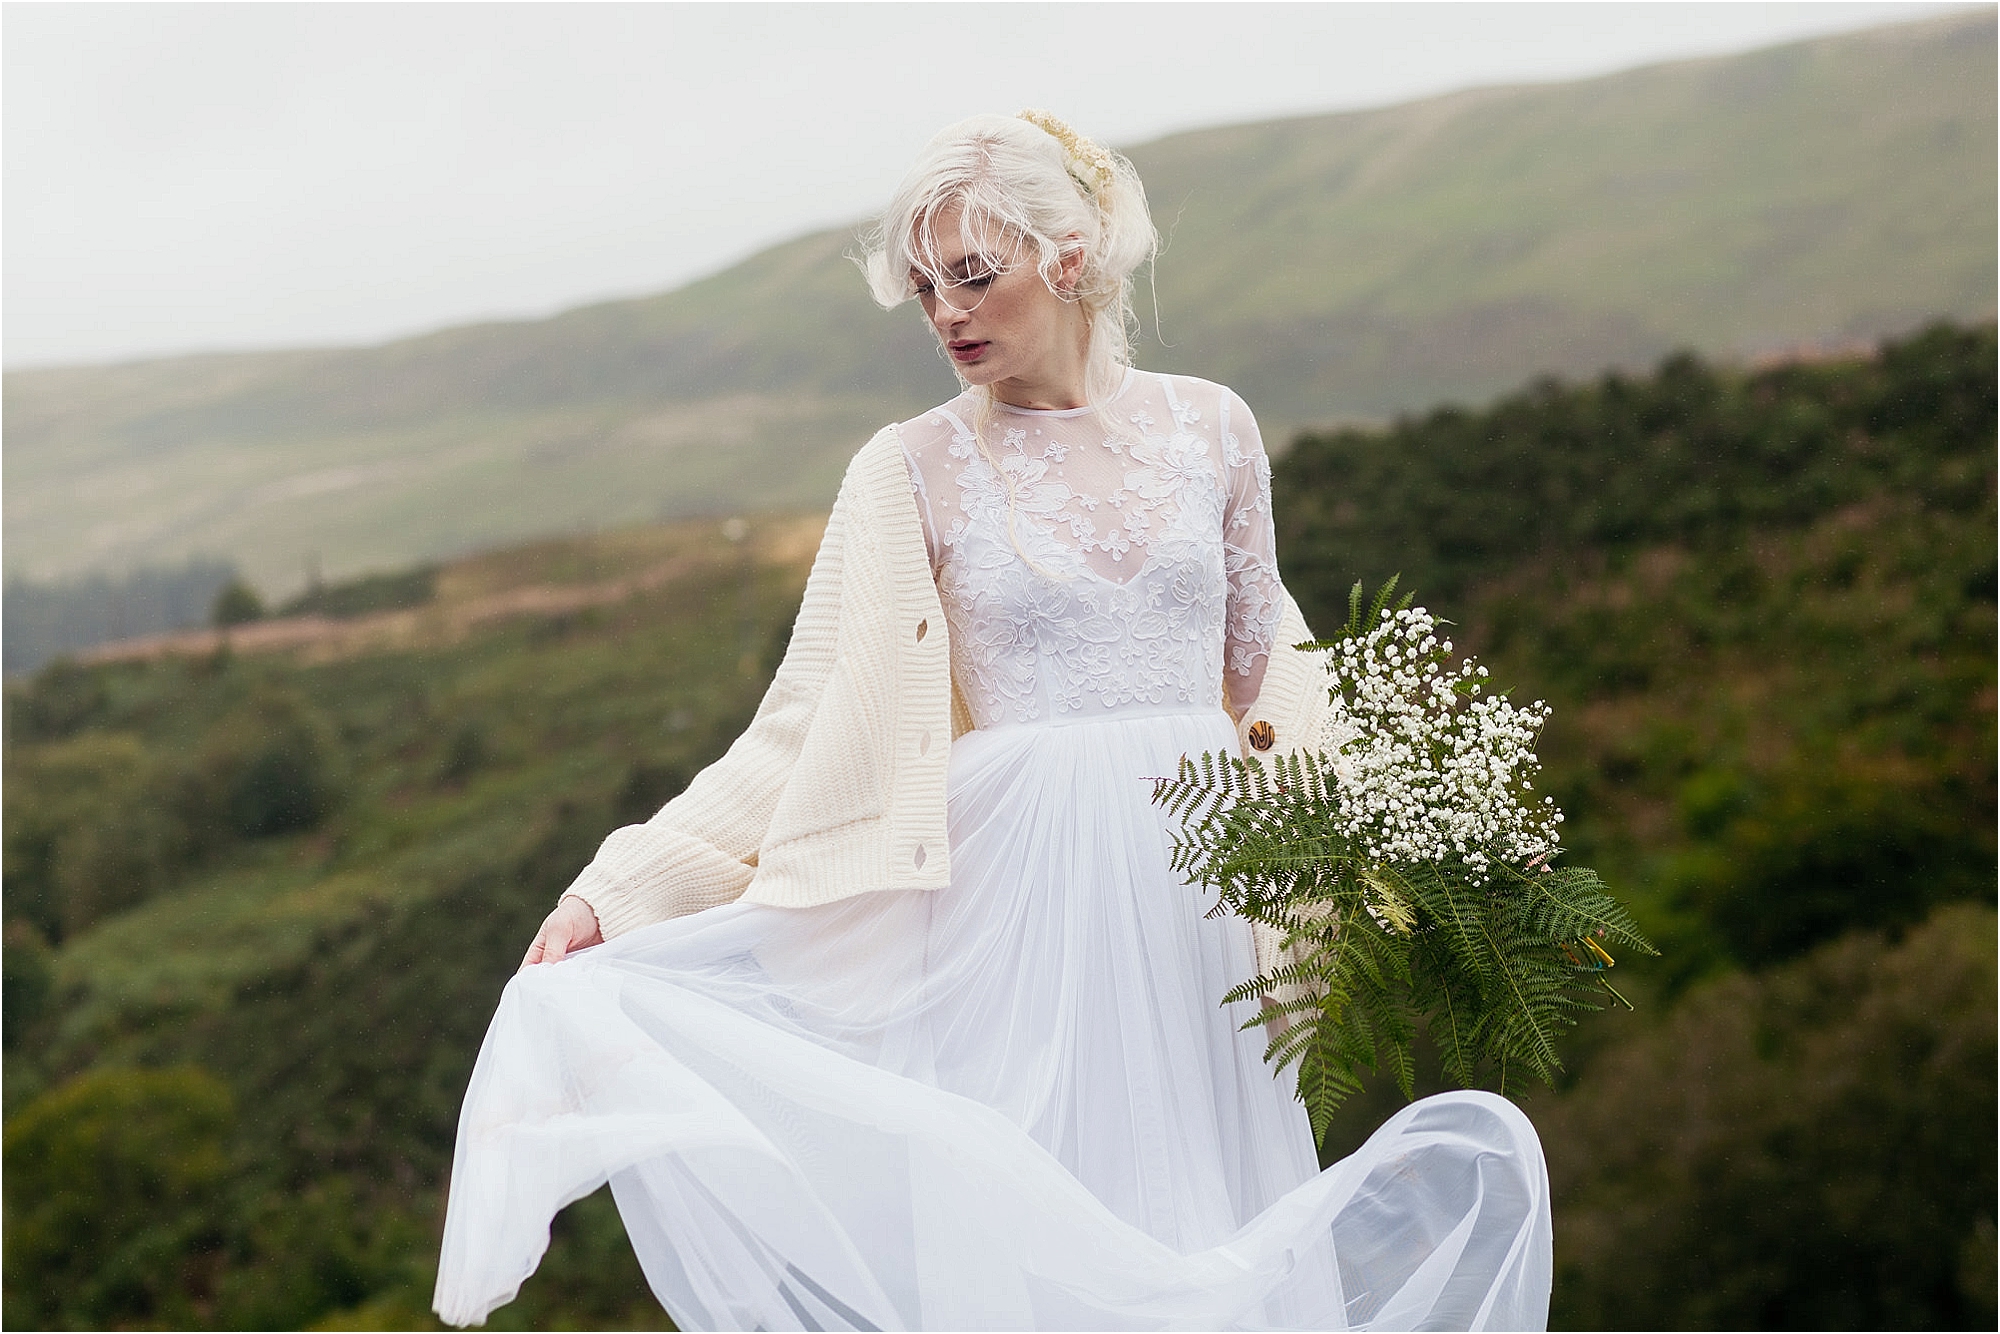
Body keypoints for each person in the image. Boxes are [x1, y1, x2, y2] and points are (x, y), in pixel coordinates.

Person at [433, 111, 1551, 1331]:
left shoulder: (1213, 428)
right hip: (1017, 906)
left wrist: (1425, 818)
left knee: (1210, 1211)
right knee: (1044, 1236)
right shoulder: (909, 465)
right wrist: (621, 889)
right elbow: (803, 719)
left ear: (1069, 256)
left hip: (1204, 894)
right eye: (924, 288)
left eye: (972, 274)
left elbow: (1264, 681)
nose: (946, 314)